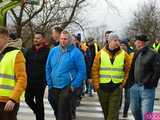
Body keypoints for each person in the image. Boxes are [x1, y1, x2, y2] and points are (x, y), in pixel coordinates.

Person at [46, 30, 86, 120]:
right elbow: (48, 67)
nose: (63, 41)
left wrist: (74, 85)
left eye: (65, 39)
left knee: (62, 112)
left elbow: (82, 71)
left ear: (70, 40)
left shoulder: (76, 53)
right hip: (54, 85)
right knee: (58, 111)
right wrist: (49, 83)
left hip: (67, 86)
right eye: (61, 39)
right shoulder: (54, 51)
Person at [92, 33, 131, 120]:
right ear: (109, 41)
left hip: (116, 87)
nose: (117, 42)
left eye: (118, 40)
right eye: (115, 40)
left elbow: (128, 70)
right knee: (106, 113)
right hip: (102, 88)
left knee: (112, 113)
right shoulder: (100, 54)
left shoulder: (124, 54)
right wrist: (97, 86)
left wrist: (122, 84)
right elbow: (95, 70)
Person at [126, 34, 160, 120]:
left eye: (136, 42)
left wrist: (151, 83)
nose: (134, 43)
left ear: (140, 43)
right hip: (134, 87)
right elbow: (132, 69)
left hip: (147, 88)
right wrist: (130, 84)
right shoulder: (136, 53)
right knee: (134, 110)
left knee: (147, 114)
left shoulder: (153, 54)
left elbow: (157, 70)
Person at [0, 26, 27, 120]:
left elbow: (22, 79)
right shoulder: (2, 54)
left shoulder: (16, 54)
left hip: (8, 102)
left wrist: (13, 99)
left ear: (5, 38)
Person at [25, 32, 49, 120]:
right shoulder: (29, 51)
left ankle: (40, 117)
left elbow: (49, 67)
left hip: (40, 83)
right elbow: (25, 64)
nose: (35, 40)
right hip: (29, 81)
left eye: (38, 38)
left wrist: (46, 81)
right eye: (35, 38)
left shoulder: (47, 52)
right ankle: (37, 111)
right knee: (27, 99)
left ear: (43, 40)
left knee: (39, 102)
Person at [120, 38, 134, 118]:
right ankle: (118, 109)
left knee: (128, 97)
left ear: (126, 45)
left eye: (124, 45)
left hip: (129, 79)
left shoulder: (131, 54)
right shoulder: (118, 53)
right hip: (120, 78)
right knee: (119, 97)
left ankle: (125, 112)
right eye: (121, 45)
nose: (122, 46)